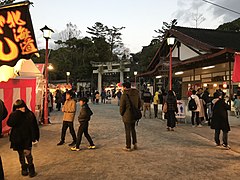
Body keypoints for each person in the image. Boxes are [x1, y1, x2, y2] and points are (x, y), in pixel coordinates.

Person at [7, 99, 39, 177]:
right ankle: (24, 168)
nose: (22, 109)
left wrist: (35, 138)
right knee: (21, 154)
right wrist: (16, 114)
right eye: (18, 108)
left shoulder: (29, 114)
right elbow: (10, 123)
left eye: (22, 106)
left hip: (27, 138)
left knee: (27, 154)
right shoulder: (14, 115)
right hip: (17, 138)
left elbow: (34, 127)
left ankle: (31, 169)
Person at [120, 82, 141, 151]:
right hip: (134, 114)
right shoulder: (136, 93)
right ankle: (135, 144)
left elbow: (122, 106)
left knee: (127, 131)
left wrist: (122, 113)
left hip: (127, 115)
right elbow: (139, 103)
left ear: (125, 87)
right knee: (133, 129)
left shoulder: (124, 95)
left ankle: (128, 146)